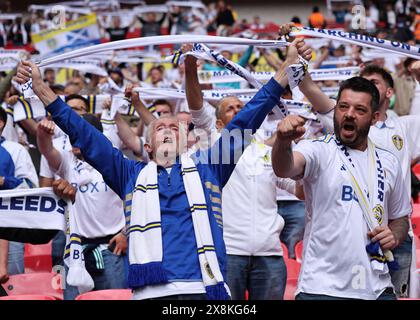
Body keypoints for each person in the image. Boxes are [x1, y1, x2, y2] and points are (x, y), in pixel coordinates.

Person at [14, 39, 299, 299]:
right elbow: (86, 136)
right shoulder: (128, 174)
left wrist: (284, 71)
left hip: (204, 288)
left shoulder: (211, 167)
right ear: (147, 146)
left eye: (174, 127)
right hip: (149, 293)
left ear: (185, 142)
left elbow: (245, 121)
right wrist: (41, 89)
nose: (166, 129)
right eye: (159, 127)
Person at [272, 77, 411, 300]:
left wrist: (394, 235)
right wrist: (283, 141)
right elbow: (284, 167)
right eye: (343, 106)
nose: (349, 114)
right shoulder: (318, 150)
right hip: (321, 289)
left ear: (375, 118)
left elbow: (401, 218)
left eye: (360, 109)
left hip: (377, 288)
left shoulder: (389, 162)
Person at [37, 114, 127, 300]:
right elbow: (47, 150)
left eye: (81, 135)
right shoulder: (67, 162)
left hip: (111, 250)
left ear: (96, 137)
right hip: (75, 251)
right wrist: (43, 134)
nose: (75, 140)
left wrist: (126, 233)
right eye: (72, 135)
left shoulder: (118, 162)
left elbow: (137, 202)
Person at [0, 106, 39, 287]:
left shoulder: (15, 150)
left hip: (10, 227)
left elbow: (31, 187)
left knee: (12, 286)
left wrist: (4, 182)